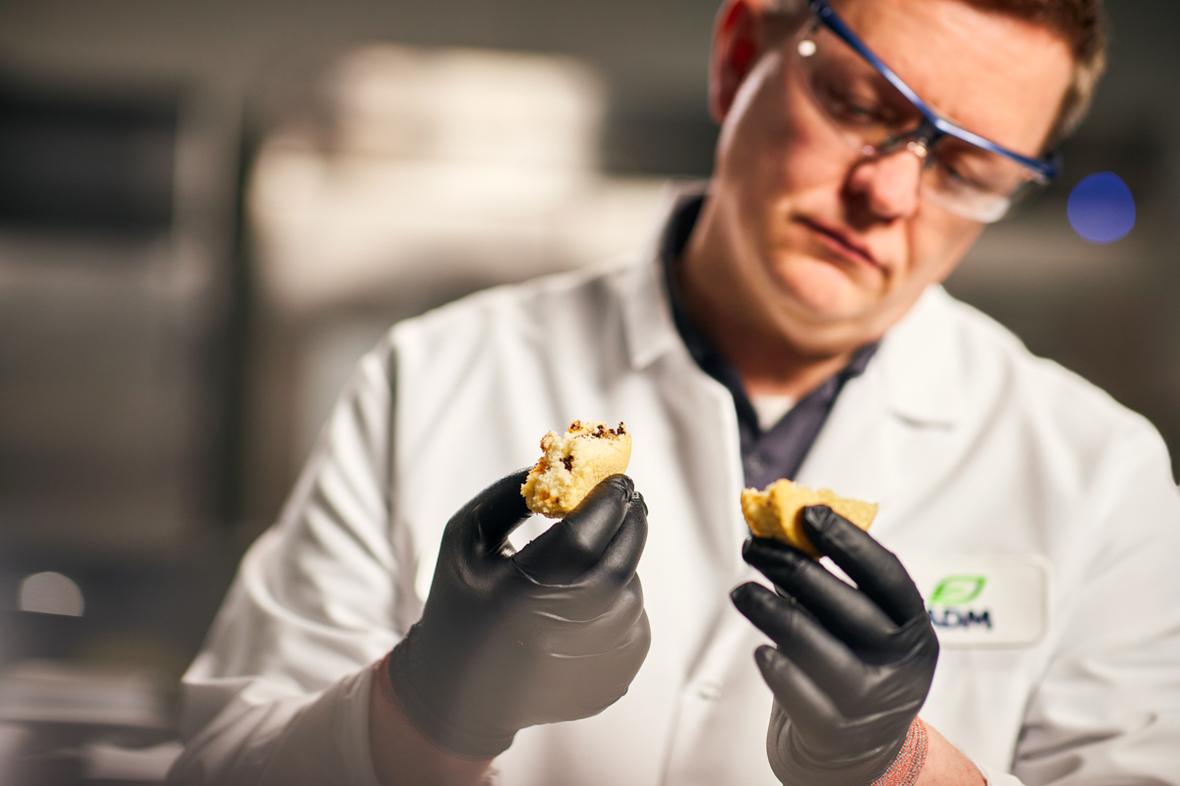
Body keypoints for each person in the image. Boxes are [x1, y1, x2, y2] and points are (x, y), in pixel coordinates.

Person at [169, 0, 1180, 784]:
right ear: (739, 54)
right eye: (862, 106)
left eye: (968, 166)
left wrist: (899, 765)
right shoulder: (429, 376)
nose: (890, 193)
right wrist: (423, 708)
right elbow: (220, 771)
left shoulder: (1099, 473)